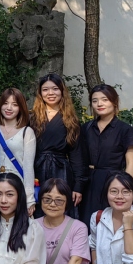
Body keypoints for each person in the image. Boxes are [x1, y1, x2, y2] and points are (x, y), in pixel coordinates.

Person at [79, 84, 133, 225]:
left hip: (113, 181)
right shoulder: (86, 128)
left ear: (114, 101)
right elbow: (80, 158)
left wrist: (125, 188)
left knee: (112, 222)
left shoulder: (125, 129)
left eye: (104, 99)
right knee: (87, 222)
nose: (99, 104)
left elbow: (131, 163)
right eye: (95, 101)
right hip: (89, 182)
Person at [30, 74, 87, 216]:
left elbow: (76, 155)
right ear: (40, 93)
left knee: (60, 210)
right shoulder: (32, 118)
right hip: (36, 171)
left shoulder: (70, 120)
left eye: (55, 89)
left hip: (61, 172)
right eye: (45, 89)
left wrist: (78, 186)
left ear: (62, 91)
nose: (50, 93)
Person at [0, 88, 36, 216]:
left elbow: (28, 167)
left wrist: (29, 199)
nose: (9, 108)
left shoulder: (27, 132)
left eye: (14, 104)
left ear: (20, 108)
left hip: (17, 186)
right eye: (5, 103)